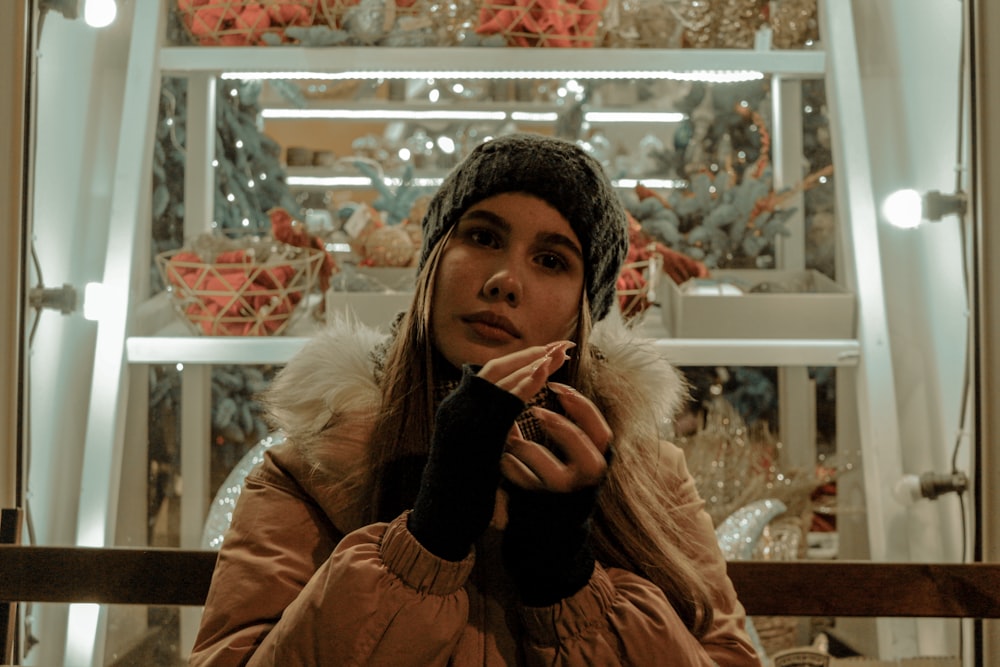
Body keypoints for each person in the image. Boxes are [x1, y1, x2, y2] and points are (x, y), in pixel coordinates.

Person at [190, 133, 762, 666]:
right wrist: (422, 548)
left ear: (581, 312)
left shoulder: (649, 476)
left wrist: (567, 579)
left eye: (552, 260)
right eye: (483, 237)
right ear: (433, 265)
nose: (504, 281)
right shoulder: (311, 464)